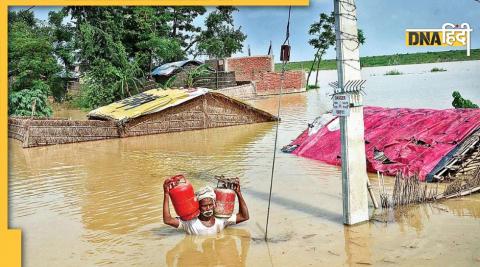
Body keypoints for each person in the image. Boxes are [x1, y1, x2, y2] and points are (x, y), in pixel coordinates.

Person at [163, 180, 249, 235]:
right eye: (204, 206)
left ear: (214, 204)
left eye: (210, 205)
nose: (208, 208)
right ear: (198, 206)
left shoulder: (222, 220)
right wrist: (166, 194)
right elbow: (168, 220)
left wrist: (238, 193)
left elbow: (244, 216)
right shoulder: (189, 223)